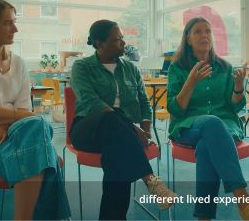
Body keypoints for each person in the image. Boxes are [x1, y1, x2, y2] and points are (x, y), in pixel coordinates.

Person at [0, 0, 70, 220]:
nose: (15, 29)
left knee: (36, 130)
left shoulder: (17, 62)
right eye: (7, 23)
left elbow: (23, 107)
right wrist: (18, 117)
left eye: (14, 22)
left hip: (12, 134)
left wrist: (4, 125)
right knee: (43, 150)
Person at [70, 19, 176, 220]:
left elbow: (145, 103)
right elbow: (91, 101)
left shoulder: (131, 69)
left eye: (122, 38)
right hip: (87, 130)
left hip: (121, 136)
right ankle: (151, 180)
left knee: (117, 154)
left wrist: (146, 130)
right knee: (113, 118)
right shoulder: (82, 67)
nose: (123, 43)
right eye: (117, 39)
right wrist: (132, 128)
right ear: (100, 43)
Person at [167, 17, 249, 220]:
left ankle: (204, 217)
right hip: (188, 126)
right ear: (187, 38)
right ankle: (242, 198)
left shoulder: (225, 67)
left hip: (226, 126)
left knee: (207, 145)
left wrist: (239, 86)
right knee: (211, 123)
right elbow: (176, 109)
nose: (204, 35)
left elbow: (236, 106)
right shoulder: (177, 67)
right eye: (198, 31)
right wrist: (190, 83)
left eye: (208, 31)